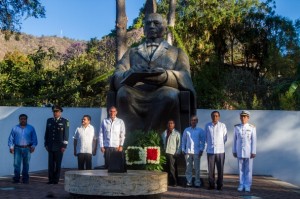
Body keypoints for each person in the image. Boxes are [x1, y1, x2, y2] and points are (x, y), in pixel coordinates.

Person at [110, 13, 196, 133]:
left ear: (165, 29)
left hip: (164, 91)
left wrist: (165, 76)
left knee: (169, 96)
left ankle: (154, 138)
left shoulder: (177, 52)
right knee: (123, 93)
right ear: (144, 29)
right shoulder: (131, 52)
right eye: (148, 24)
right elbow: (117, 75)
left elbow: (185, 77)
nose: (151, 26)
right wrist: (129, 75)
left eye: (156, 23)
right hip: (136, 92)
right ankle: (134, 138)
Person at [8, 114, 38, 184]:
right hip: (17, 148)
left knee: (26, 164)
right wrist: (11, 147)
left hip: (27, 148)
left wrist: (33, 146)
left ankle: (25, 179)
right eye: (21, 119)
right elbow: (11, 139)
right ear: (19, 120)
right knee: (16, 164)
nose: (23, 120)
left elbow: (34, 138)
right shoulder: (15, 128)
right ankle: (16, 179)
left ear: (26, 119)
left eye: (24, 119)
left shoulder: (31, 128)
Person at [232, 110, 257, 192]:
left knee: (248, 169)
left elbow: (254, 140)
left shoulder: (252, 127)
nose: (243, 118)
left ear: (248, 118)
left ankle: (247, 185)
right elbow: (234, 140)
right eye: (242, 116)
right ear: (240, 117)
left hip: (249, 152)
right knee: (240, 169)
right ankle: (241, 184)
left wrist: (253, 151)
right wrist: (234, 150)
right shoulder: (236, 127)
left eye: (245, 116)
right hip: (239, 151)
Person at [44, 105, 69, 184]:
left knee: (58, 164)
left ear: (60, 112)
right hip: (50, 145)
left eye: (57, 112)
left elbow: (66, 135)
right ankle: (50, 179)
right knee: (50, 164)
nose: (55, 113)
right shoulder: (49, 120)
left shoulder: (65, 121)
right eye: (54, 112)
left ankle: (56, 180)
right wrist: (46, 144)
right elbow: (47, 133)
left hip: (59, 146)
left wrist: (64, 146)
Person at [205, 111, 227, 190]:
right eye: (213, 116)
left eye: (217, 116)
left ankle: (219, 185)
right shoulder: (207, 126)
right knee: (211, 169)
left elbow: (225, 138)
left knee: (220, 169)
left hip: (220, 151)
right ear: (211, 117)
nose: (215, 117)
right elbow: (206, 138)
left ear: (219, 117)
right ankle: (211, 185)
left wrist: (219, 145)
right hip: (210, 151)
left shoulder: (222, 126)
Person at [181, 115, 206, 188]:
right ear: (190, 121)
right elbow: (183, 140)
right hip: (188, 152)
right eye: (192, 120)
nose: (193, 121)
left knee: (197, 169)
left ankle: (197, 183)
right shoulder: (186, 130)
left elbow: (203, 141)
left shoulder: (200, 130)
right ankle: (189, 182)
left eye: (195, 120)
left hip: (197, 152)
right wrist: (183, 149)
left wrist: (201, 150)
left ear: (197, 121)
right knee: (188, 168)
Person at [161, 119, 181, 187]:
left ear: (174, 125)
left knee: (172, 168)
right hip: (165, 153)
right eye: (169, 123)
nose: (170, 124)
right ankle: (167, 182)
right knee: (166, 168)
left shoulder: (177, 133)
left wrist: (177, 152)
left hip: (172, 153)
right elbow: (162, 142)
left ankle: (175, 182)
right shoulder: (164, 133)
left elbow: (179, 144)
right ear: (167, 124)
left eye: (172, 123)